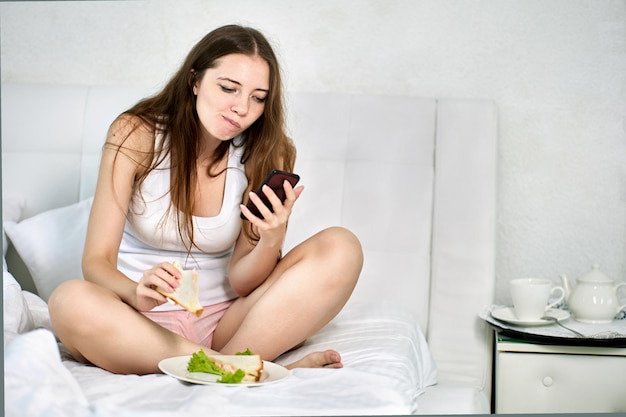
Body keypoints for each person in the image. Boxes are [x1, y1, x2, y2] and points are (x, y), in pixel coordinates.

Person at [48, 24, 363, 375]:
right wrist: (136, 292)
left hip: (227, 323)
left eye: (258, 97)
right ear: (194, 81)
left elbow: (244, 282)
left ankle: (224, 365)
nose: (242, 108)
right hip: (139, 324)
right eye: (228, 88)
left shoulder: (266, 152)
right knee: (68, 301)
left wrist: (270, 240)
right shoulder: (135, 134)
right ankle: (241, 369)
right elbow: (96, 261)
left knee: (342, 247)